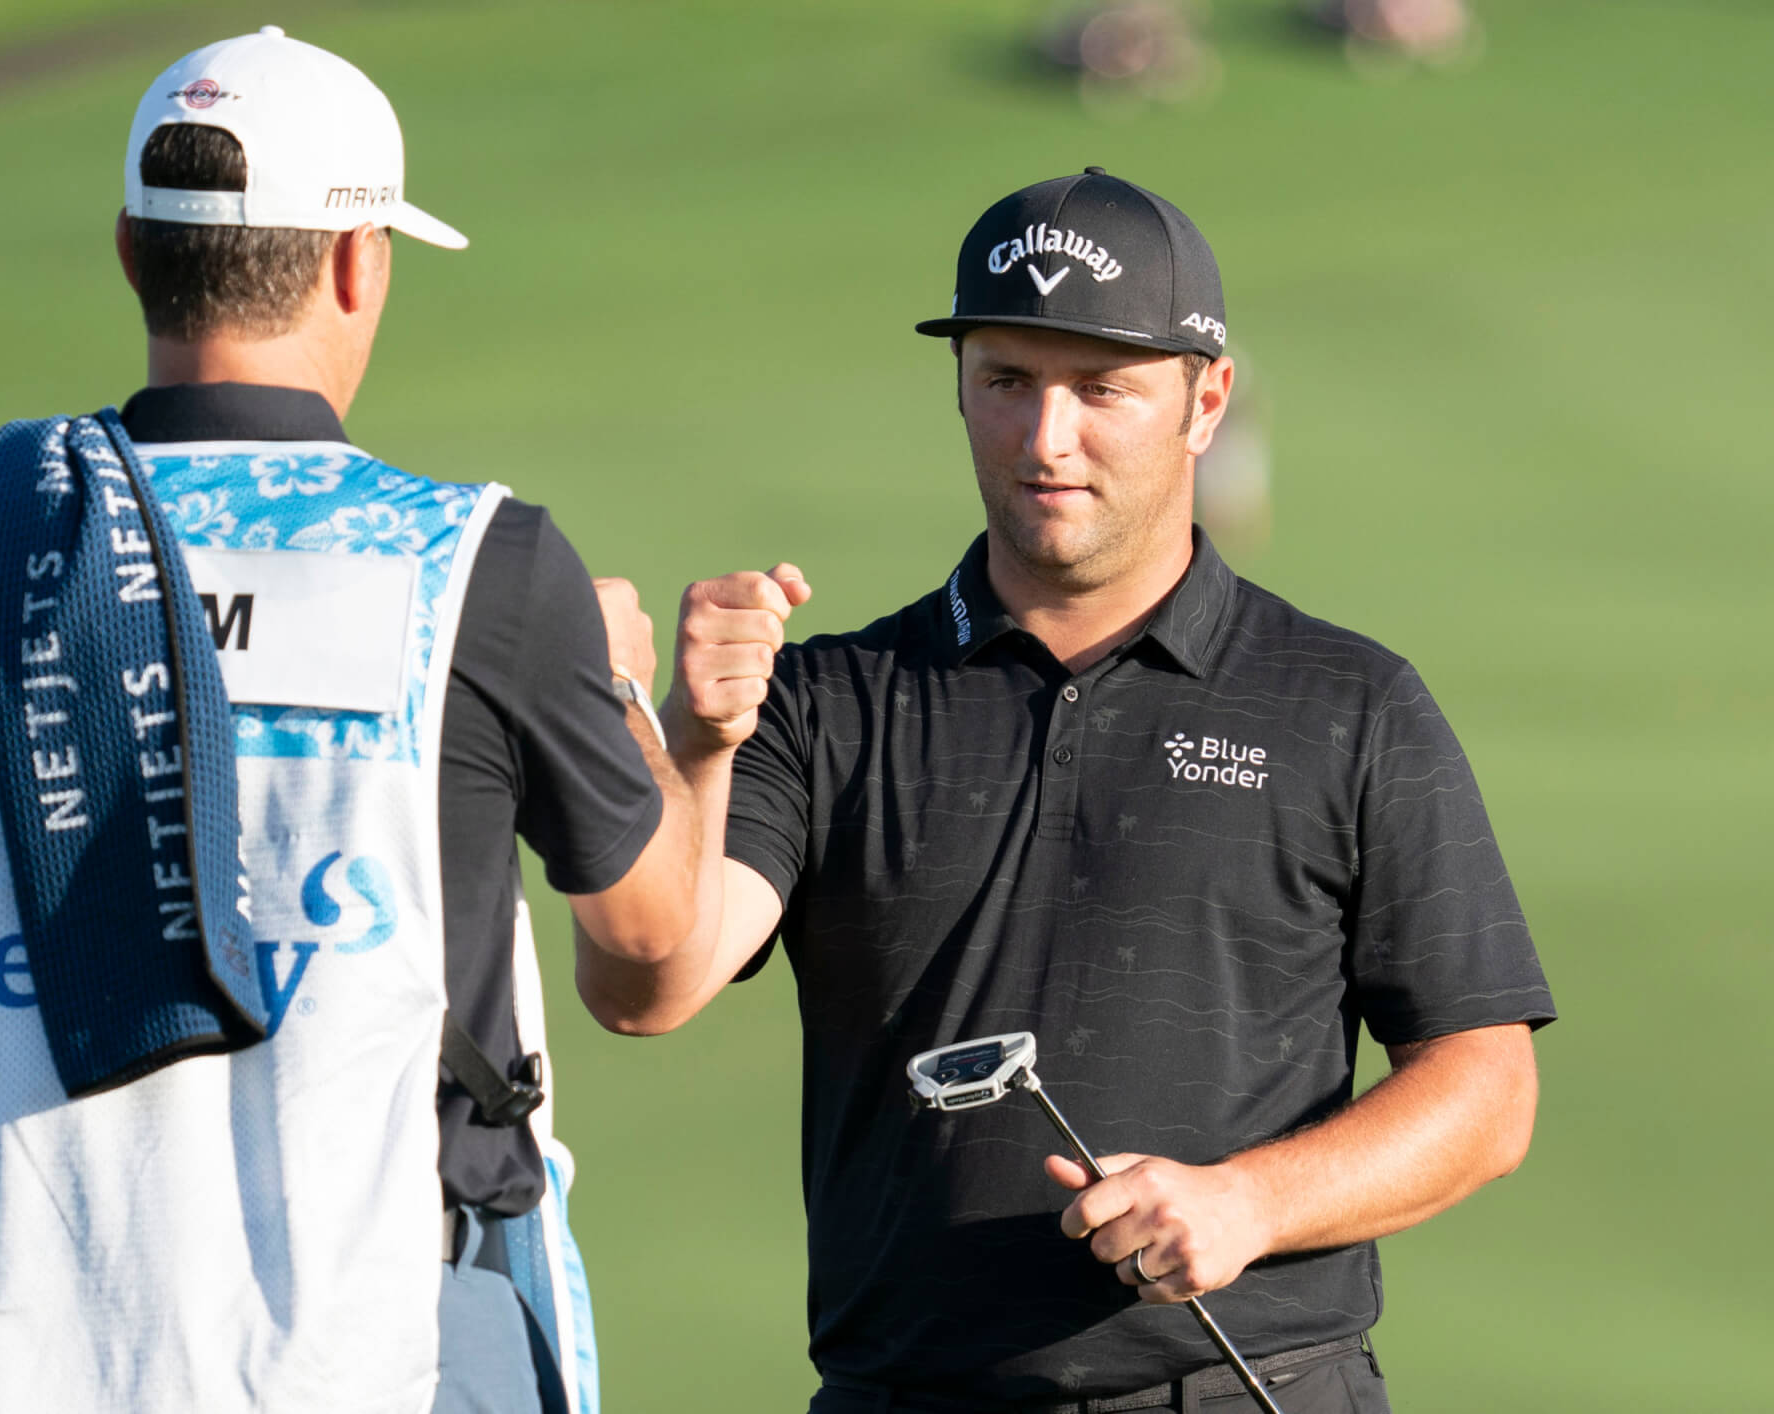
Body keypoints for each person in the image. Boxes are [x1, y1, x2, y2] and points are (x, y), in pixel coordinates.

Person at [0, 27, 691, 1414]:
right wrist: (623, 690)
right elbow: (656, 937)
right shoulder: (478, 565)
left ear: (134, 249)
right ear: (362, 262)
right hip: (396, 1363)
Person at [580, 168, 1555, 1412]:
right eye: (1005, 382)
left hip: (1246, 1386)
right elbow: (644, 986)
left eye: (1101, 389)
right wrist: (695, 743)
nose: (1047, 439)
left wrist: (1246, 1200)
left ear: (1205, 402)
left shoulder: (1343, 701)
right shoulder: (826, 699)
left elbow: (1485, 1091)